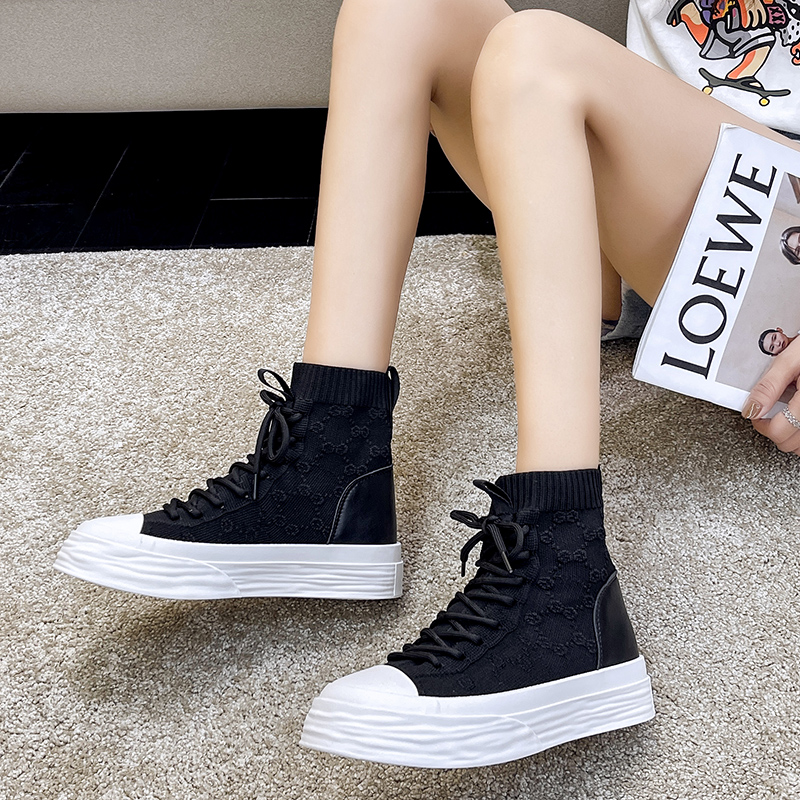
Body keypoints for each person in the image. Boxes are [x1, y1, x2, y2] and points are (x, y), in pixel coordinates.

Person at [53, 0, 800, 770]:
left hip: (782, 241)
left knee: (536, 54)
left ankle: (561, 571)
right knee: (401, 6)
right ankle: (327, 462)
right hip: (660, 182)